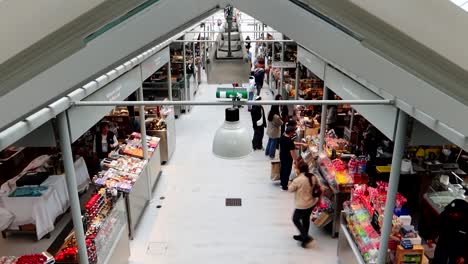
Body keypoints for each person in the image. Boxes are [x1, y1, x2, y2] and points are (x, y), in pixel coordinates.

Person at [288, 163, 320, 248]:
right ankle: (303, 236)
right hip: (311, 203)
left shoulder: (298, 180)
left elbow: (290, 189)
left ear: (298, 170)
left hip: (302, 205)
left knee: (295, 219)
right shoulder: (312, 176)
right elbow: (318, 185)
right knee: (305, 219)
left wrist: (291, 179)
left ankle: (305, 236)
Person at [279, 126, 306, 190]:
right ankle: (284, 186)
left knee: (282, 169)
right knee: (287, 170)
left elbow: (287, 146)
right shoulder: (289, 141)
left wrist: (295, 146)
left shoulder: (282, 137)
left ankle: (282, 182)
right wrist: (296, 160)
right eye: (293, 132)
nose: (294, 133)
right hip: (288, 157)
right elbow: (292, 152)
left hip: (282, 155)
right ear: (290, 132)